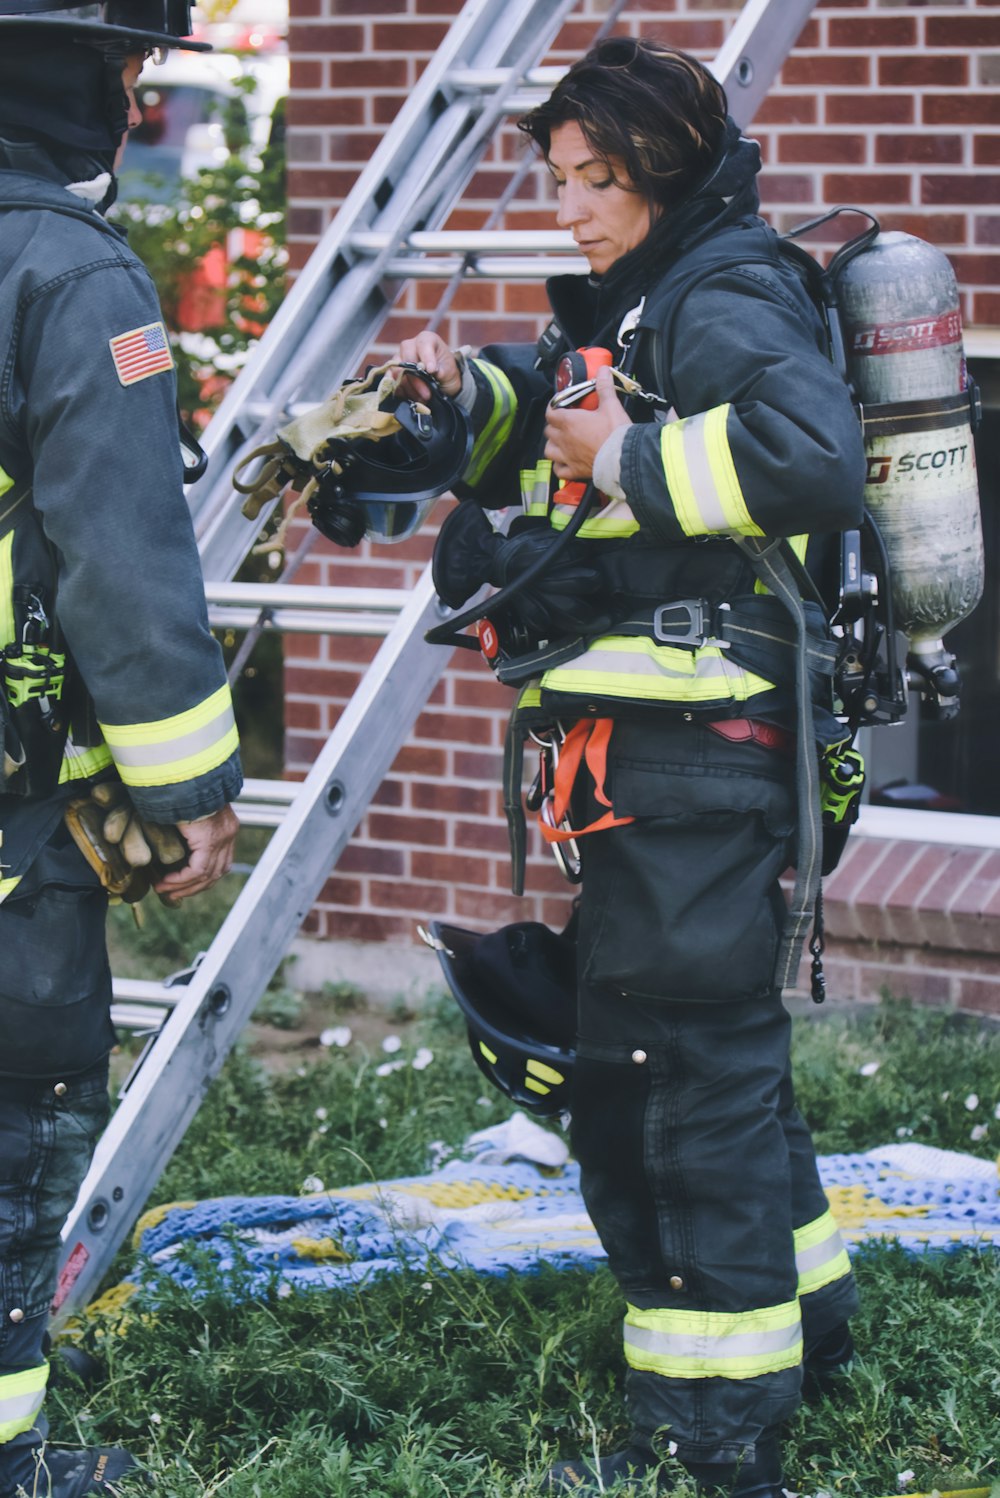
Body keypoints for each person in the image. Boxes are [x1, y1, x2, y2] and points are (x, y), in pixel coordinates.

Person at [394, 37, 865, 1498]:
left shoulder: (723, 290)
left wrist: (626, 464)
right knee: (711, 1059)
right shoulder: (646, 297)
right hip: (648, 761)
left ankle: (714, 1429)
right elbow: (556, 411)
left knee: (667, 1084)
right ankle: (808, 1320)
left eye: (599, 180)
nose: (573, 209)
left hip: (699, 753)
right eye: (557, 179)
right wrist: (448, 399)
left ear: (666, 167)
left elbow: (811, 455)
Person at [0, 4, 242, 1493]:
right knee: (19, 1107)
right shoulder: (72, 275)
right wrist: (188, 790)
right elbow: (124, 560)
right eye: (135, 74)